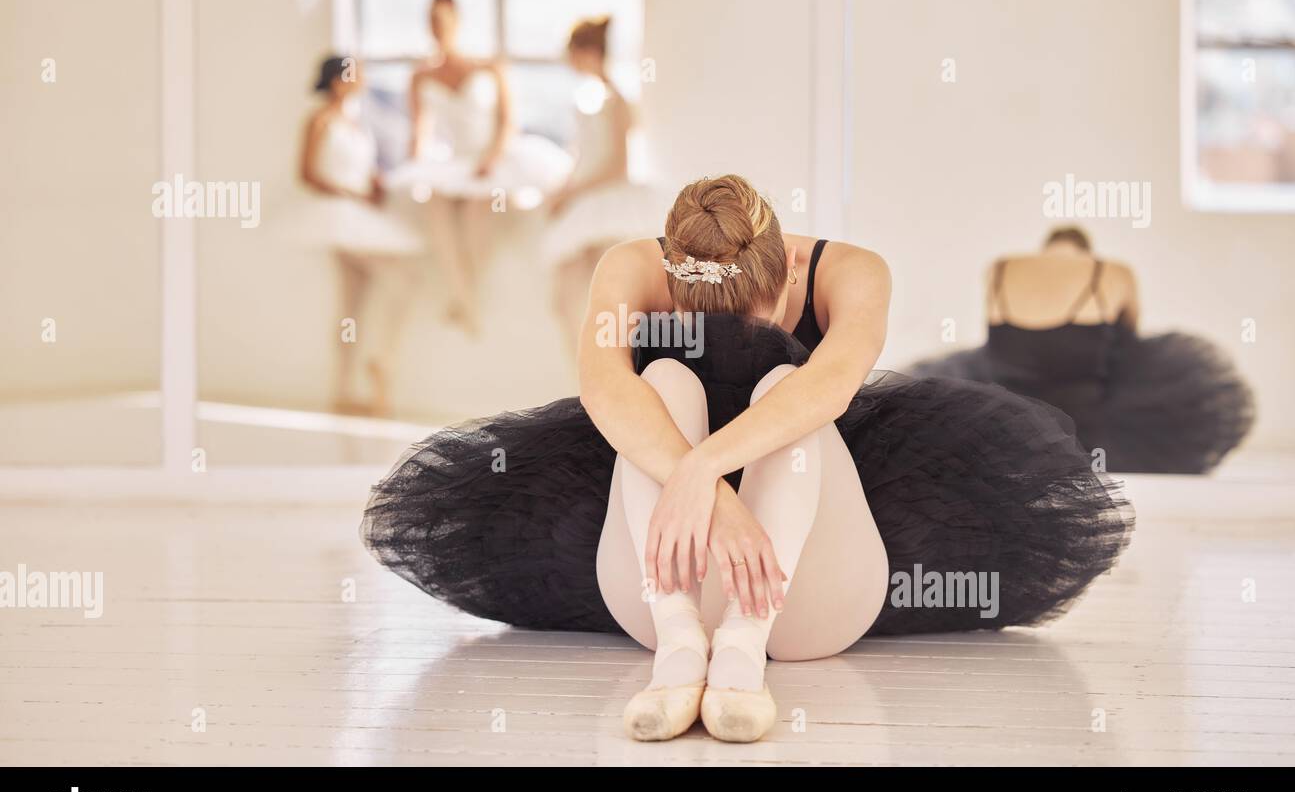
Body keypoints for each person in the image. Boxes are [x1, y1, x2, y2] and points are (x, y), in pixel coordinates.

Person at [362, 176, 1132, 744]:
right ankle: (685, 647)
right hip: (668, 584)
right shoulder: (631, 269)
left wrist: (707, 470)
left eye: (749, 316)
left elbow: (831, 384)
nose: (727, 331)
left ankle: (741, 647)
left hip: (801, 594)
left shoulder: (851, 272)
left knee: (784, 382)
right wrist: (704, 490)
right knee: (660, 379)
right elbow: (602, 387)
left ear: (785, 276)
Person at [910, 226, 1255, 473]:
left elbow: (996, 340)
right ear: (1086, 250)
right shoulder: (1114, 271)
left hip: (1007, 410)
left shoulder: (1000, 268)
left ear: (1046, 247)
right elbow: (1128, 342)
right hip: (1082, 414)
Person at [387, 0, 571, 333]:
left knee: (476, 215)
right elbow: (420, 131)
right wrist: (411, 168)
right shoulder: (420, 76)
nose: (437, 27)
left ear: (456, 21)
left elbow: (507, 122)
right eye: (431, 21)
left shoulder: (489, 67)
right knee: (434, 208)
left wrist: (490, 158)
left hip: (495, 158)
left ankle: (465, 298)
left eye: (442, 19)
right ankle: (463, 298)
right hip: (455, 162)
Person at [293, 55, 423, 416]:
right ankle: (378, 364)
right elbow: (307, 173)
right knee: (400, 281)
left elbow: (361, 169)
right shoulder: (319, 120)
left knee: (352, 305)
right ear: (338, 80)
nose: (363, 78)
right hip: (339, 216)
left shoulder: (356, 121)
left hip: (361, 213)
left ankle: (346, 388)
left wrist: (374, 184)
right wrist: (353, 195)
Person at [542, 16, 663, 354]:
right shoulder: (591, 97)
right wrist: (563, 192)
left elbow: (617, 166)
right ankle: (586, 381)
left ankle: (608, 376)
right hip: (587, 202)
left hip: (606, 204)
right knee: (568, 298)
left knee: (603, 300)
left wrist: (572, 193)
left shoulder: (615, 100)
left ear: (589, 53)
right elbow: (583, 156)